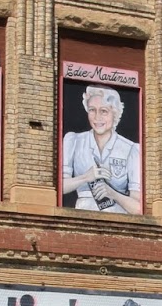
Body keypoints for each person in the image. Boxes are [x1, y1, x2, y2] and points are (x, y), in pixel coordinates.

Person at [61, 85, 142, 213]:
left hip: (118, 223)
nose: (97, 117)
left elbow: (138, 209)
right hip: (81, 220)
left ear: (114, 113)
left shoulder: (131, 149)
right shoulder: (74, 140)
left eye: (104, 111)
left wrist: (112, 193)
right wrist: (85, 177)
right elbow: (59, 187)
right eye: (92, 110)